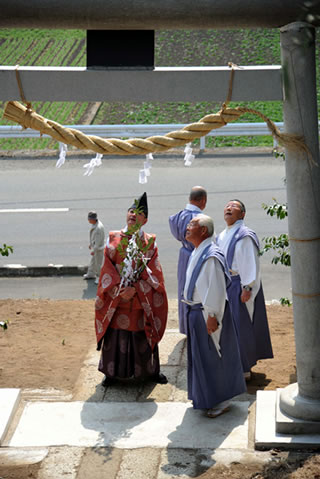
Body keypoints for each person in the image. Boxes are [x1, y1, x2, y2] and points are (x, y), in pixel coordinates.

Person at [95, 192, 168, 386]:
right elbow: (106, 271)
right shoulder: (113, 239)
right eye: (131, 211)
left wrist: (135, 289)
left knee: (142, 332)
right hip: (117, 298)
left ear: (145, 220)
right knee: (116, 333)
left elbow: (154, 273)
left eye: (139, 213)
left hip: (139, 299)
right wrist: (120, 290)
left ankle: (151, 371)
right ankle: (111, 374)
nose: (134, 214)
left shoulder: (150, 242)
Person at [183, 214, 246, 418]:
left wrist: (212, 316)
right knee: (200, 357)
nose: (187, 227)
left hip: (206, 313)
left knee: (213, 357)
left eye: (192, 224)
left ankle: (221, 400)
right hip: (195, 312)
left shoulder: (211, 255)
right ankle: (204, 397)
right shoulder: (198, 251)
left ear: (203, 230)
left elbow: (216, 289)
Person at [216, 199, 273, 380]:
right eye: (227, 206)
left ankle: (244, 369)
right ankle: (233, 365)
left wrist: (247, 287)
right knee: (228, 327)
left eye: (234, 207)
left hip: (239, 285)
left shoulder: (245, 235)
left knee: (242, 326)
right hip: (226, 283)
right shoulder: (223, 234)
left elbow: (251, 263)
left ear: (242, 214)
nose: (229, 208)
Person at [169, 186, 207, 334]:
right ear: (203, 200)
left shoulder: (177, 216)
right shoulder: (201, 219)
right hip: (197, 254)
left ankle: (185, 326)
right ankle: (196, 327)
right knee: (197, 290)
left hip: (184, 254)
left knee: (183, 290)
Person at [83, 211, 105, 284]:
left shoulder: (98, 228)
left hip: (98, 249)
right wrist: (91, 244)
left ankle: (99, 277)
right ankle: (91, 274)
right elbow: (94, 238)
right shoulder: (95, 224)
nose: (88, 220)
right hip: (95, 247)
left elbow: (98, 243)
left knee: (98, 264)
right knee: (93, 262)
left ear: (93, 219)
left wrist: (93, 250)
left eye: (89, 219)